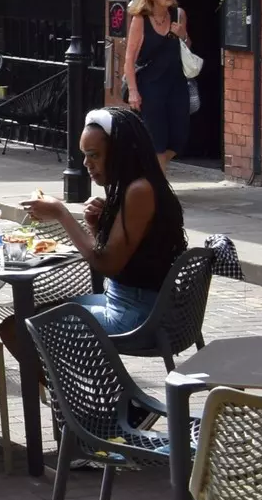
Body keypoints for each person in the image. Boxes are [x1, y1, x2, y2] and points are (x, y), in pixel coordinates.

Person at [25, 107, 188, 334]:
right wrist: (96, 226)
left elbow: (108, 265)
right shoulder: (136, 184)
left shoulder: (139, 190)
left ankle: (76, 370)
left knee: (21, 327)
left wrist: (61, 214)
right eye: (85, 155)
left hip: (136, 313)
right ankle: (69, 370)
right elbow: (119, 254)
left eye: (94, 155)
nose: (86, 164)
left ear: (120, 153)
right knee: (32, 314)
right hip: (129, 301)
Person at [122, 0, 193, 166]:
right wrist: (133, 92)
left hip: (176, 83)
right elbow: (129, 59)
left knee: (179, 137)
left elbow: (187, 46)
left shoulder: (179, 14)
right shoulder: (140, 19)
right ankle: (159, 189)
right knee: (157, 140)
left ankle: (148, 170)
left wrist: (183, 34)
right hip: (150, 85)